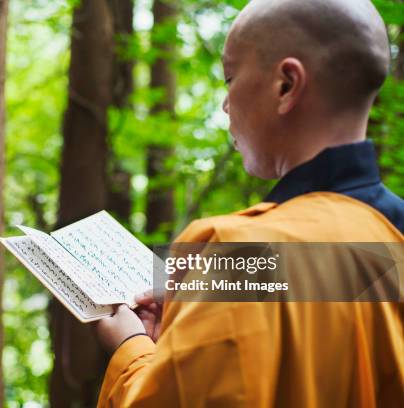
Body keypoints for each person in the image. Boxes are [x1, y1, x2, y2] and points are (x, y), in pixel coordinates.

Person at [95, 0, 404, 406]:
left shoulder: (238, 252)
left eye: (230, 78)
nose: (226, 104)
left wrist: (132, 346)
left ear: (286, 85)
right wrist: (193, 317)